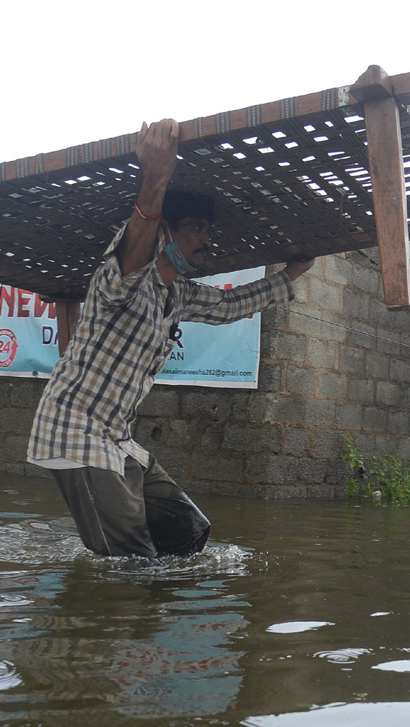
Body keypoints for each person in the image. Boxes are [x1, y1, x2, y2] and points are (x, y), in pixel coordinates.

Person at [27, 118, 317, 560]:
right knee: (128, 560)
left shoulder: (178, 294)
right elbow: (138, 232)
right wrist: (157, 175)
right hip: (74, 434)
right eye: (197, 227)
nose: (207, 238)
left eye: (207, 229)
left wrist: (291, 274)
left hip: (116, 438)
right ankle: (110, 616)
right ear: (166, 233)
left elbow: (230, 305)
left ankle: (148, 607)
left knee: (188, 531)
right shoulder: (120, 280)